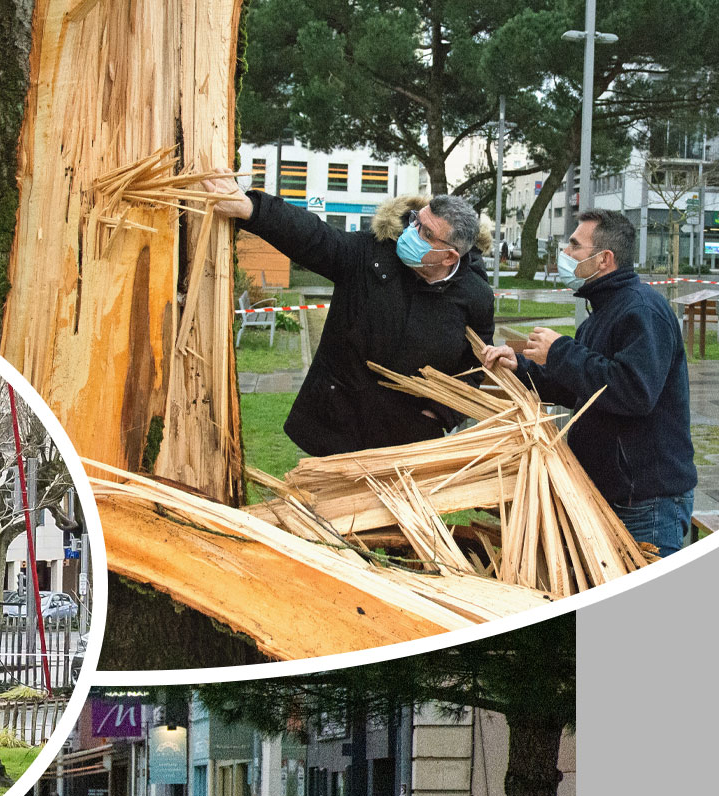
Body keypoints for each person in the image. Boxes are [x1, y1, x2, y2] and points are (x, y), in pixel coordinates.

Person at [205, 178, 495, 456]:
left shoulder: (476, 297)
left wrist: (436, 416)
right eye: (416, 221)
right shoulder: (372, 254)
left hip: (406, 444)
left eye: (427, 234)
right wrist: (252, 208)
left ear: (449, 257)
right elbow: (315, 237)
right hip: (337, 428)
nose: (413, 232)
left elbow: (474, 369)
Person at [480, 210, 696, 554]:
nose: (565, 255)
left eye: (574, 246)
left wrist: (561, 351)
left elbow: (634, 392)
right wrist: (519, 367)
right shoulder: (604, 310)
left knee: (643, 607)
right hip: (607, 492)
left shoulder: (641, 311)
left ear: (604, 260)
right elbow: (577, 387)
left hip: (644, 504)